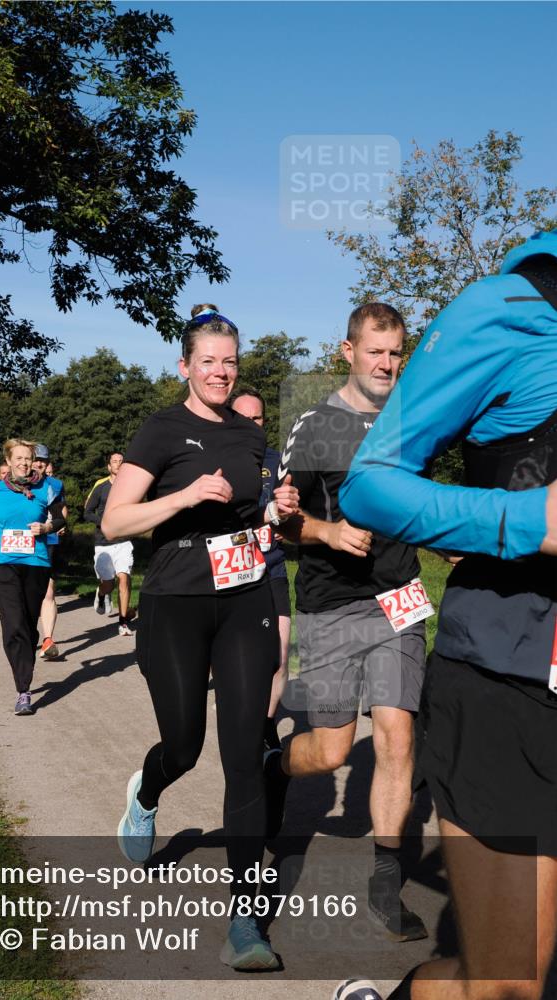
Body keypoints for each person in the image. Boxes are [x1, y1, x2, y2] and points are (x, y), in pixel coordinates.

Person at [334, 232, 557, 1000]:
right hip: (514, 679)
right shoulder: (513, 307)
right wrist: (528, 522)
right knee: (506, 987)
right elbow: (369, 484)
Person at [103, 304, 299, 970]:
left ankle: (246, 920)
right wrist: (184, 499)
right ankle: (147, 792)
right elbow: (113, 521)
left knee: (243, 750)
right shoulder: (162, 430)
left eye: (230, 361)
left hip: (245, 598)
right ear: (186, 366)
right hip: (176, 600)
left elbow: (258, 515)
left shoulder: (249, 437)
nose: (221, 372)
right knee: (184, 746)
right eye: (209, 361)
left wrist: (281, 512)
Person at [276, 302, 429, 942]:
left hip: (399, 597)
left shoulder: (416, 421)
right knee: (334, 748)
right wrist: (327, 531)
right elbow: (281, 523)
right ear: (348, 351)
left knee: (397, 736)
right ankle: (271, 767)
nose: (387, 363)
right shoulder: (317, 426)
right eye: (375, 351)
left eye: (395, 352)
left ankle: (386, 883)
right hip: (331, 603)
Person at [0, 439, 66, 715]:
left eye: (28, 459)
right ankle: (23, 690)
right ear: (9, 460)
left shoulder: (46, 488)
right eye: (19, 458)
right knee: (12, 626)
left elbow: (61, 520)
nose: (24, 463)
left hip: (37, 564)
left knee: (27, 626)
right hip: (5, 564)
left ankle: (27, 658)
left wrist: (46, 527)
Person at [230, 391, 292, 759]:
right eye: (244, 418)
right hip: (231, 572)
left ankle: (266, 725)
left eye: (258, 419)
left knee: (280, 655)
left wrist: (290, 524)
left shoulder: (280, 461)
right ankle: (242, 717)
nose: (252, 425)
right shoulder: (214, 458)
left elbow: (296, 506)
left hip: (272, 565)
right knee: (236, 657)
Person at [85, 453, 134, 635]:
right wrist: (104, 521)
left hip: (124, 541)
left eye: (122, 461)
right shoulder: (101, 487)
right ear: (109, 467)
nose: (118, 464)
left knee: (124, 578)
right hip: (103, 542)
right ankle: (102, 593)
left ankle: (122, 623)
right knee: (109, 583)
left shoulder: (131, 487)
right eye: (115, 461)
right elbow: (87, 512)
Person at [31, 444, 68, 661]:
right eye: (36, 459)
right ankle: (28, 634)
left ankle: (47, 639)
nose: (39, 464)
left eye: (43, 461)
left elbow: (61, 511)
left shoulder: (56, 484)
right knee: (29, 593)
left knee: (48, 592)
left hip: (49, 541)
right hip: (23, 545)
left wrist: (60, 524)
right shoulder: (17, 485)